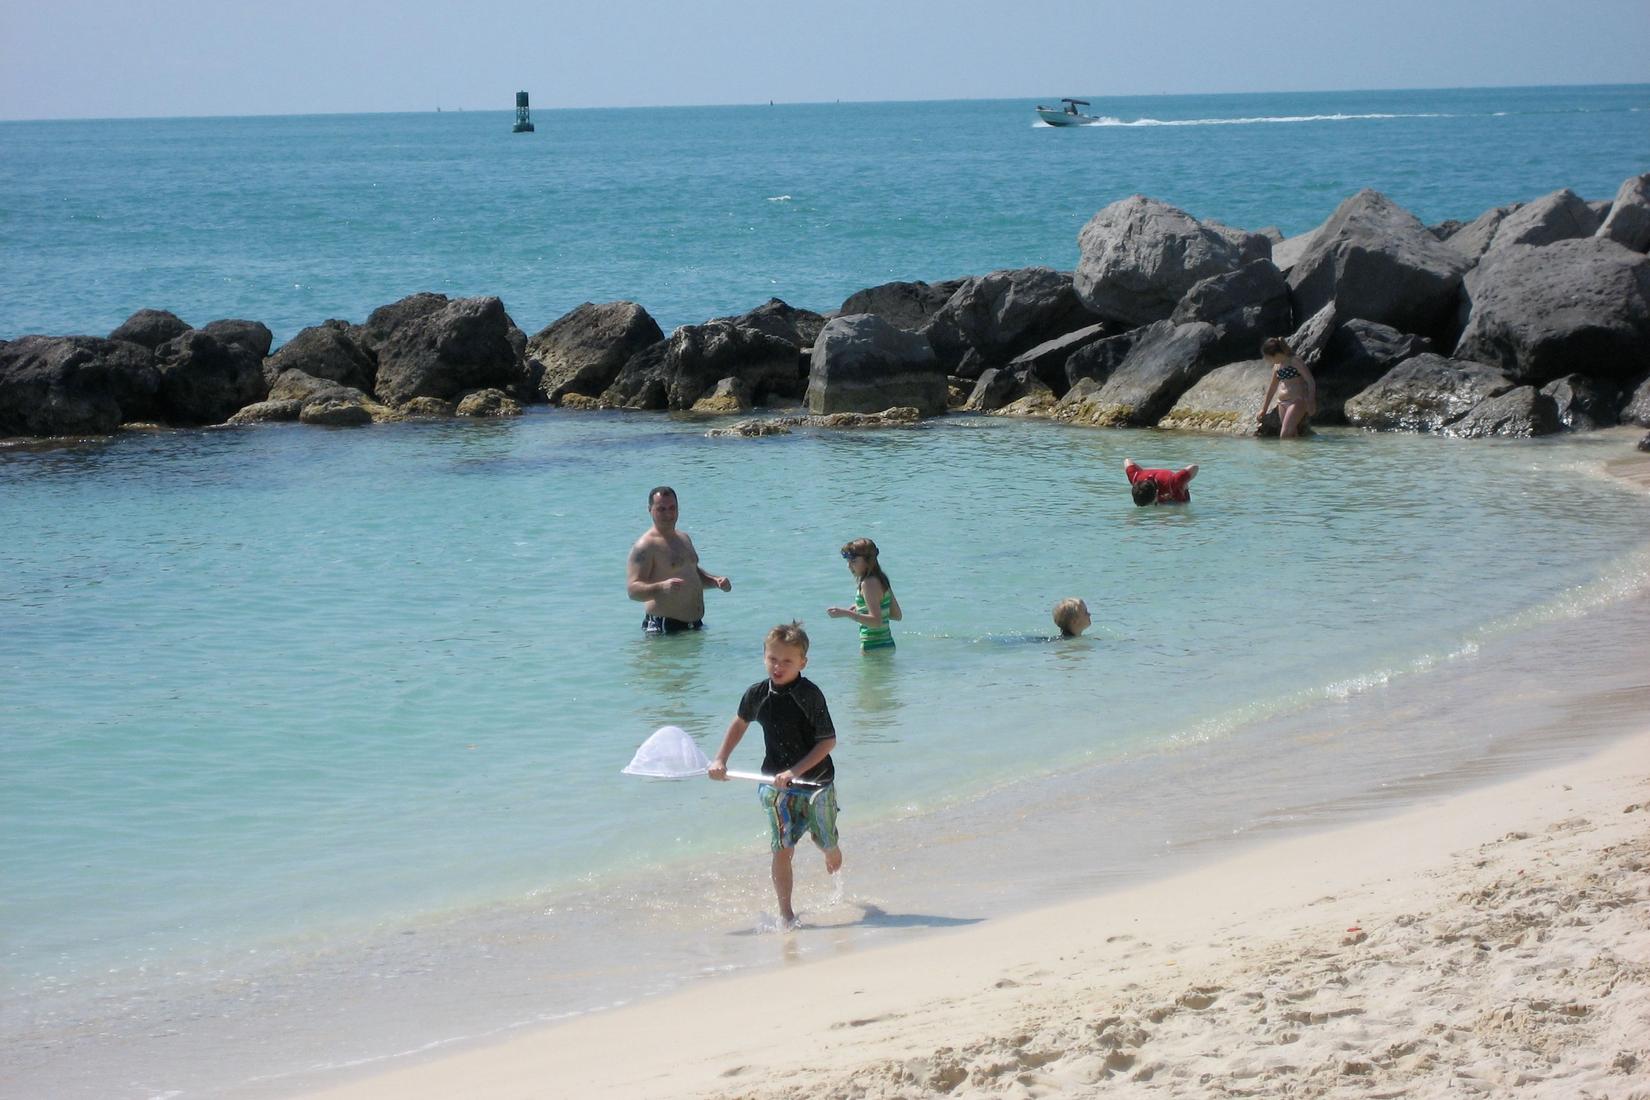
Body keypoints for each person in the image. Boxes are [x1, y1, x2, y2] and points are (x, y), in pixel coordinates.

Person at [708, 622, 842, 926]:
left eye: (787, 661)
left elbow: (828, 741)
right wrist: (720, 759)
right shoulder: (757, 693)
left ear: (802, 663)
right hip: (774, 785)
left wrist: (794, 770)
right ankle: (786, 914)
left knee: (824, 843)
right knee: (781, 847)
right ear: (764, 656)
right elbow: (740, 723)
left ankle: (830, 847)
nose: (778, 667)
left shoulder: (809, 695)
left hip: (816, 783)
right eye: (772, 659)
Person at [626, 486, 731, 634]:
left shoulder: (684, 538)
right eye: (661, 509)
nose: (668, 513)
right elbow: (633, 591)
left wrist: (715, 582)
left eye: (672, 507)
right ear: (650, 509)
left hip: (694, 626)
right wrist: (661, 587)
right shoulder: (645, 546)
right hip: (665, 630)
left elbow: (692, 573)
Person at [827, 538, 902, 651]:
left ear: (868, 561)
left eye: (853, 561)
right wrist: (863, 609)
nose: (848, 566)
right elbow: (896, 615)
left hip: (874, 648)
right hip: (887, 645)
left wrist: (846, 613)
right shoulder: (881, 579)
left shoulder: (868, 583)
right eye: (847, 561)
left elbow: (876, 622)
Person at [1257, 336, 1318, 439]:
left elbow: (1310, 381)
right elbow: (1272, 388)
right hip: (1282, 403)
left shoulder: (1294, 361)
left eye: (1268, 357)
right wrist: (1264, 409)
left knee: (1285, 435)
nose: (1268, 360)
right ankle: (1298, 454)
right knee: (1293, 435)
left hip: (1297, 401)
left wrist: (1311, 400)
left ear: (1276, 354)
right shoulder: (1277, 366)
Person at [1124, 458, 1199, 506]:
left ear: (1157, 494)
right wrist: (1142, 471)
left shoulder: (1171, 483)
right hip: (1157, 490)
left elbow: (1194, 467)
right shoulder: (1135, 478)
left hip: (1173, 492)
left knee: (1182, 505)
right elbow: (1127, 460)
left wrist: (1183, 483)